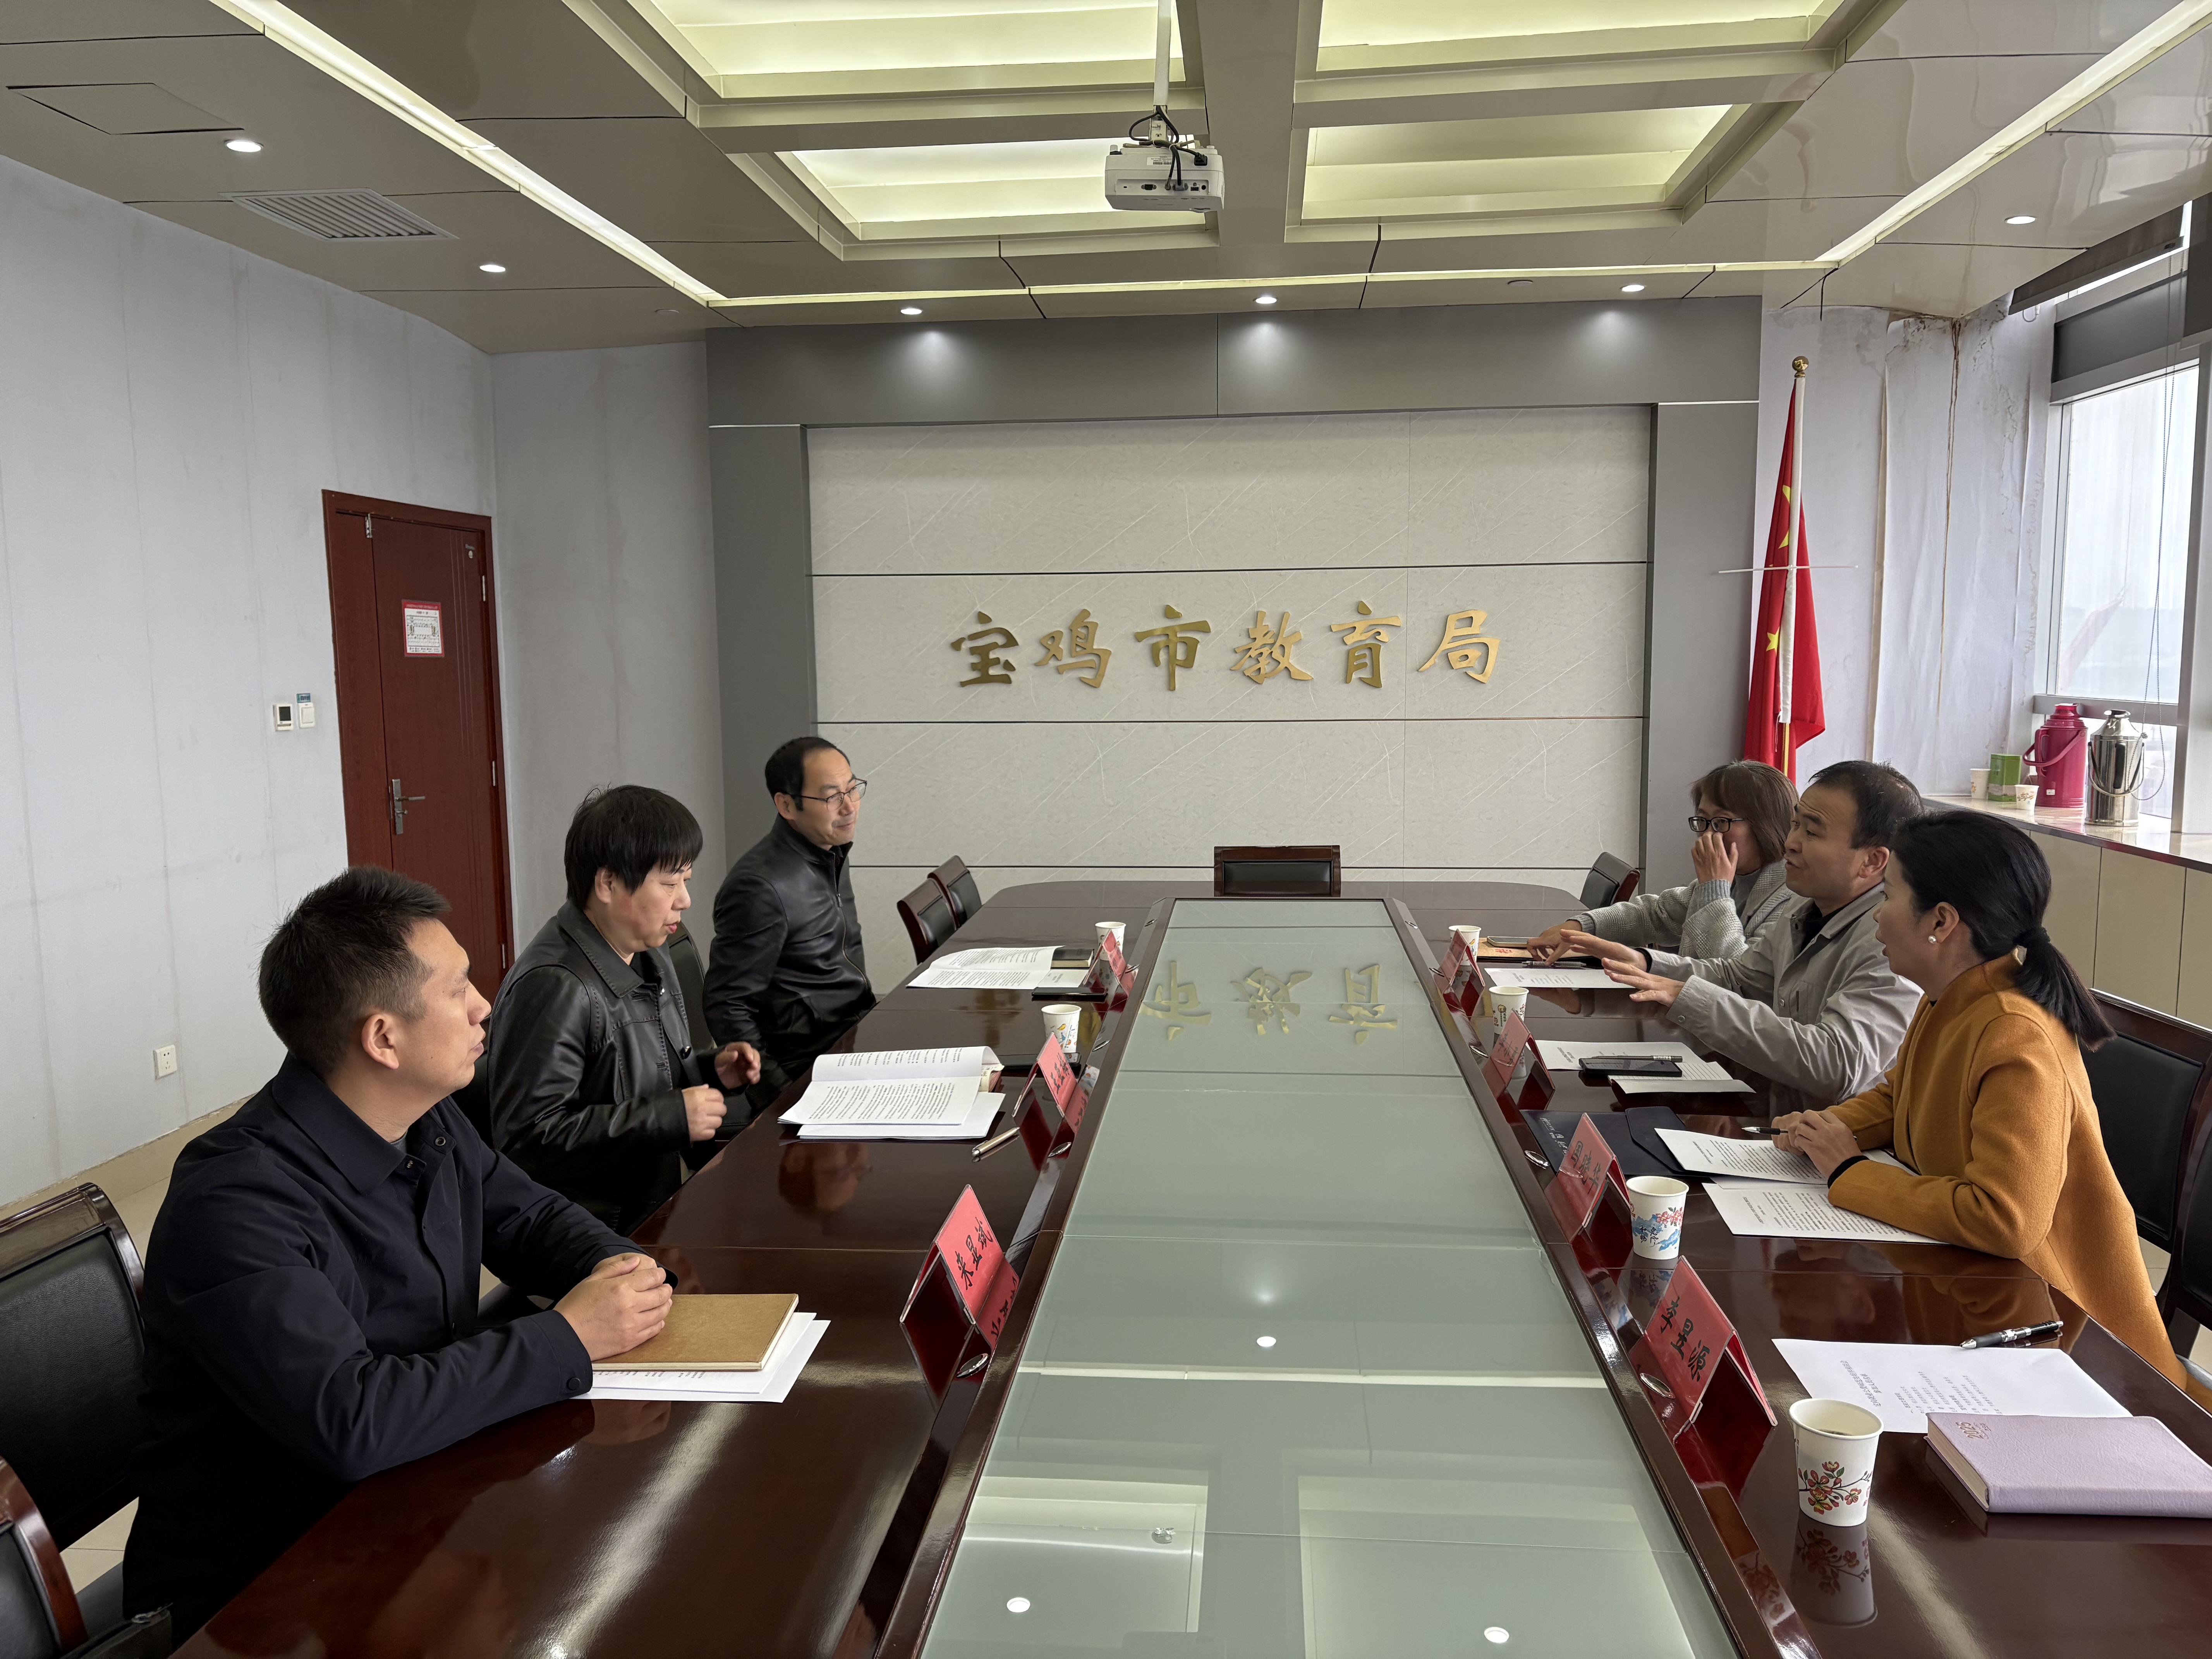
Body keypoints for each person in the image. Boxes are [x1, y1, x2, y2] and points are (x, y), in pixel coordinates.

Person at [125, 867, 674, 1640]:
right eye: (458, 989)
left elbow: (532, 1219)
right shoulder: (236, 1201)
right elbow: (353, 1419)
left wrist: (625, 1272)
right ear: (383, 1037)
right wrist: (570, 1335)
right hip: (265, 1594)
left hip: (412, 1502)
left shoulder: (427, 1119)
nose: (484, 1005)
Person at [1772, 811, 2206, 1399]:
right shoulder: (1950, 998)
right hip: (1982, 1298)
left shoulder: (2014, 1032)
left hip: (2067, 1341)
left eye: (1890, 895)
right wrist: (1821, 1130)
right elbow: (1902, 1098)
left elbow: (2004, 1218)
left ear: (1941, 922)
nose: (1876, 913)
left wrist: (1849, 1172)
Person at [1571, 759, 1925, 1104]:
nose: (1791, 843)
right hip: (1774, 1106)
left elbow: (1837, 1066)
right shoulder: (1806, 904)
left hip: (1831, 1131)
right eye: (1796, 825)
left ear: (1873, 861)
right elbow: (1739, 978)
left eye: (1812, 832)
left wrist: (1688, 996)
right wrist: (1645, 963)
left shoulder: (1892, 939)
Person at [487, 786, 760, 1231]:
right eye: (670, 884)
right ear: (609, 883)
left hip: (655, 1202)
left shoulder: (650, 948)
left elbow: (634, 1076)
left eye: (686, 881)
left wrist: (713, 1071)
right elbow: (528, 1139)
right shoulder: (555, 985)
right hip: (594, 1230)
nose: (685, 900)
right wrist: (671, 1117)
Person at [706, 737, 875, 1115]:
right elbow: (728, 1006)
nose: (849, 806)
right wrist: (782, 1103)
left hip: (853, 1046)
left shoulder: (829, 851)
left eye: (852, 789)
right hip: (808, 1074)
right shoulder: (760, 887)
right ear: (786, 805)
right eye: (832, 797)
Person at [1529, 760, 1799, 962]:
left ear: (1766, 825)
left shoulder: (1793, 897)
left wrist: (1715, 890)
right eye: (1703, 821)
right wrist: (1581, 926)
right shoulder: (1729, 879)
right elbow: (1655, 915)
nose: (1707, 835)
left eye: (1721, 822)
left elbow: (1737, 977)